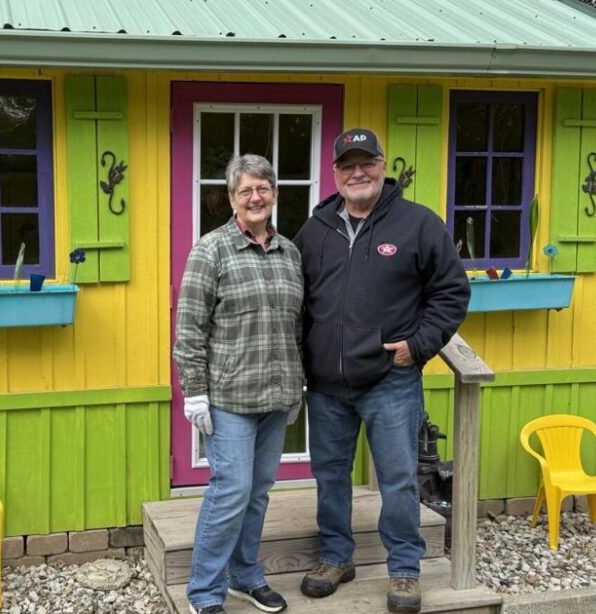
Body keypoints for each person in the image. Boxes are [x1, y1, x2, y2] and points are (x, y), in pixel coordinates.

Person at [293, 128, 469, 614]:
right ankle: (336, 557)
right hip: (326, 384)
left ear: (381, 164)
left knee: (397, 478)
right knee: (330, 475)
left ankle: (405, 570)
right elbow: (297, 300)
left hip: (391, 380)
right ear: (334, 174)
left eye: (366, 162)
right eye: (347, 165)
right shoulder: (315, 230)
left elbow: (451, 293)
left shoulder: (418, 225)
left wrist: (419, 345)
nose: (357, 173)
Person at [173, 154, 305, 614]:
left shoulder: (290, 253)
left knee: (258, 491)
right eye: (245, 190)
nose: (255, 197)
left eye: (262, 188)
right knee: (231, 490)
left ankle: (245, 575)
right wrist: (194, 392)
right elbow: (189, 329)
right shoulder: (210, 250)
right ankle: (205, 592)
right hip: (229, 397)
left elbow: (297, 326)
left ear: (274, 194)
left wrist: (297, 385)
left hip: (277, 394)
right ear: (231, 199)